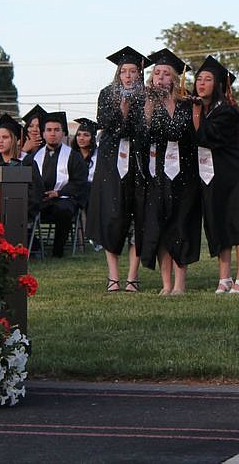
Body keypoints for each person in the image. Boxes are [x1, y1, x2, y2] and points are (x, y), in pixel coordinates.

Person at [192, 55, 239, 294]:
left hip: (238, 175)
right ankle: (224, 278)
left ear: (219, 84)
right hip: (215, 175)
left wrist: (195, 112)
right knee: (219, 223)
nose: (201, 83)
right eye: (198, 79)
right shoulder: (206, 108)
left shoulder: (227, 111)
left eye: (208, 79)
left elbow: (203, 136)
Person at [142, 48, 201, 295]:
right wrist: (147, 104)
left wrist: (197, 111)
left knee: (181, 225)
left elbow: (196, 135)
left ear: (175, 79)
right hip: (157, 174)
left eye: (166, 73)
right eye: (157, 73)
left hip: (185, 174)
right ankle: (166, 284)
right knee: (161, 227)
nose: (160, 77)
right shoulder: (145, 104)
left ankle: (180, 284)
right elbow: (142, 136)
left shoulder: (187, 105)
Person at [89, 47, 148, 292]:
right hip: (111, 164)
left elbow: (145, 128)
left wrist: (129, 117)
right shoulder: (107, 94)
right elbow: (104, 124)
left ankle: (132, 276)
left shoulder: (147, 97)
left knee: (138, 216)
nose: (128, 76)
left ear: (140, 74)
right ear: (118, 74)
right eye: (123, 71)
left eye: (133, 71)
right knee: (112, 216)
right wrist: (121, 112)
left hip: (138, 163)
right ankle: (114, 276)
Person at [27, 111, 87, 258]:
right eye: (48, 130)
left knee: (63, 210)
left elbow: (79, 182)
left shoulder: (74, 156)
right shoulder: (33, 157)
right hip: (40, 201)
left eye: (56, 130)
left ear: (63, 133)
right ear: (43, 133)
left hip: (64, 199)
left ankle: (57, 251)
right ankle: (34, 247)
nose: (52, 134)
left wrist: (58, 193)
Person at [0, 114, 43, 219]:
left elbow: (36, 192)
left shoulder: (26, 162)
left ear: (14, 140)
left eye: (5, 137)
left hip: (19, 212)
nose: (0, 141)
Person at [72, 117, 99, 205]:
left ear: (93, 138)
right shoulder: (71, 155)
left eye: (86, 135)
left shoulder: (98, 156)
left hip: (93, 194)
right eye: (78, 135)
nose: (81, 138)